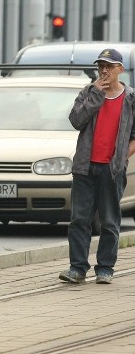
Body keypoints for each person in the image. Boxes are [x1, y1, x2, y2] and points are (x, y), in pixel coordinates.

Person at [59, 48, 135, 284]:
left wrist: (122, 157)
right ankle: (77, 268)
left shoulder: (131, 99)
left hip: (112, 169)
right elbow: (75, 121)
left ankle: (105, 269)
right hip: (85, 167)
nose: (104, 70)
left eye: (109, 66)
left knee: (110, 221)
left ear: (119, 70)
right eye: (101, 65)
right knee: (79, 220)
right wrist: (95, 97)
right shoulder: (88, 92)